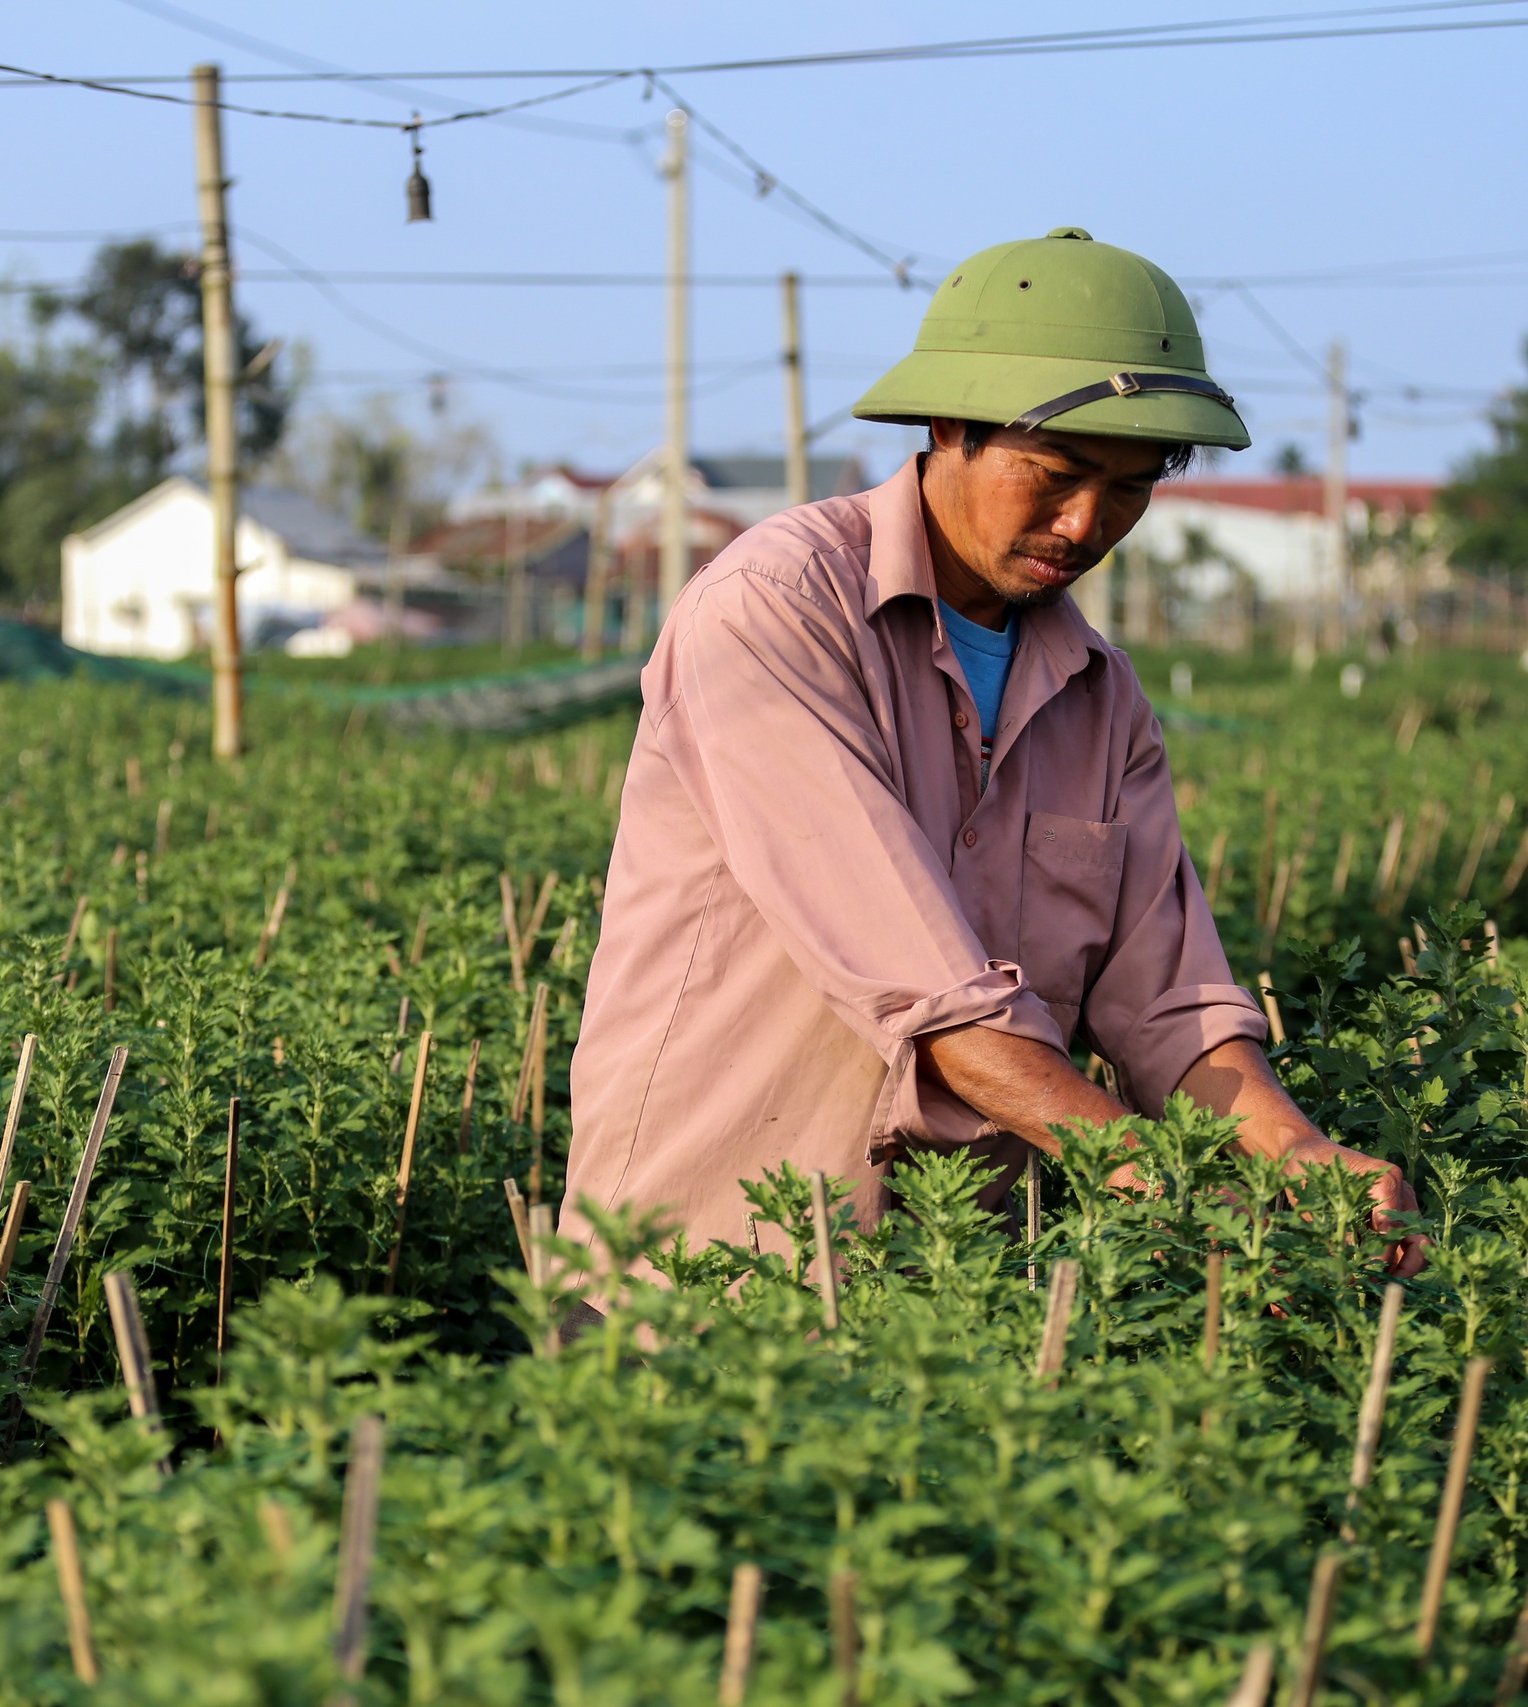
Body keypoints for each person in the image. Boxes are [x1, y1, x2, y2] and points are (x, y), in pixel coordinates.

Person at [562, 226, 1426, 1280]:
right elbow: (935, 1004)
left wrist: (1293, 1154)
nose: (1085, 521)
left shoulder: (1096, 697)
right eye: (1056, 472)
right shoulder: (774, 612)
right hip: (704, 1276)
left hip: (957, 1297)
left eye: (1130, 486)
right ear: (948, 427)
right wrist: (1174, 1193)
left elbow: (1164, 1000)